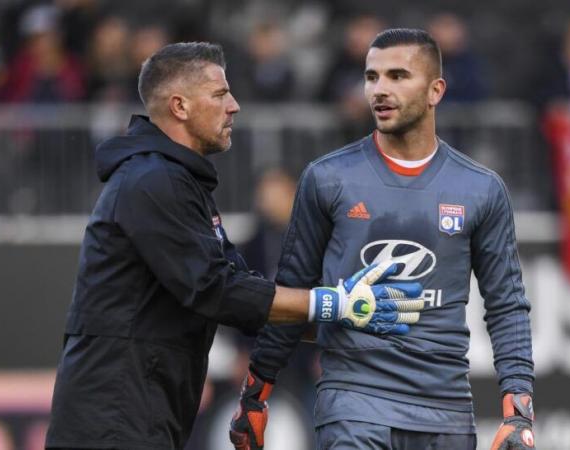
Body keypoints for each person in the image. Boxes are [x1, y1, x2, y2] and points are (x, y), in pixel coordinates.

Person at [44, 42, 426, 450]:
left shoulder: (176, 181)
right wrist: (334, 303)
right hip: (114, 423)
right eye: (219, 93)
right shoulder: (153, 181)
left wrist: (346, 323)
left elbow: (243, 292)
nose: (234, 105)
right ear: (180, 106)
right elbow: (215, 289)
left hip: (138, 415)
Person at [230, 29, 536, 450]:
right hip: (353, 405)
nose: (379, 89)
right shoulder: (327, 178)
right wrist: (255, 395)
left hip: (445, 411)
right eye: (371, 77)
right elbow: (293, 294)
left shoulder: (480, 189)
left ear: (435, 91)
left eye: (397, 76)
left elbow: (507, 306)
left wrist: (519, 409)